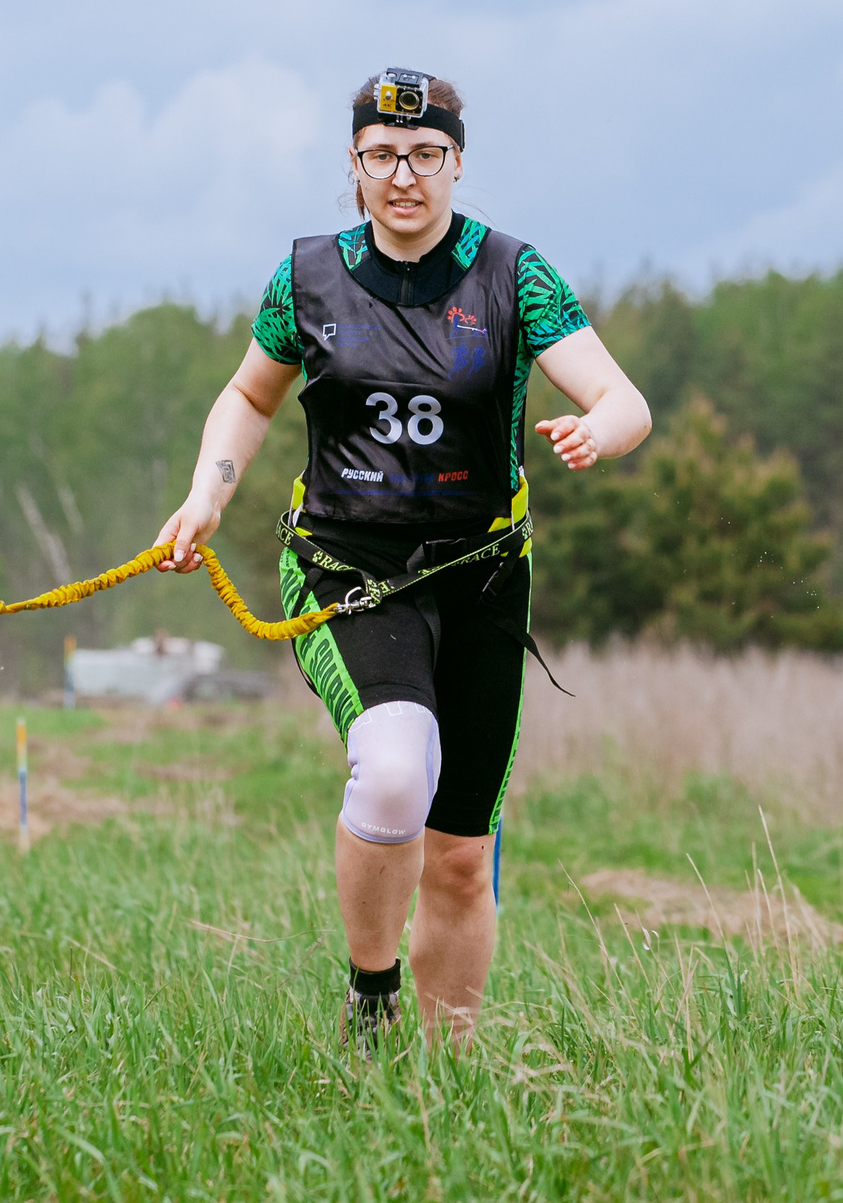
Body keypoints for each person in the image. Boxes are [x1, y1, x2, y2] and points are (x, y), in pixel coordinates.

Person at [152, 69, 651, 1049]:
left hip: (483, 573)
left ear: (457, 163)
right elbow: (250, 399)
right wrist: (208, 491)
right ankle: (370, 993)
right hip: (349, 564)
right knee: (390, 769)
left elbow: (623, 398)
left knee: (462, 855)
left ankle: (445, 1078)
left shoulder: (514, 274)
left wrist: (603, 430)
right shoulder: (307, 277)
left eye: (425, 156)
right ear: (353, 167)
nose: (404, 176)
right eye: (381, 156)